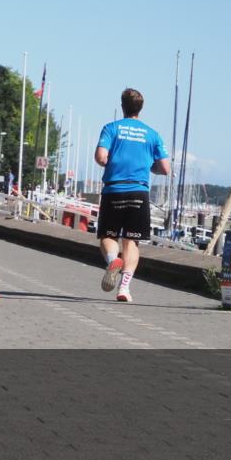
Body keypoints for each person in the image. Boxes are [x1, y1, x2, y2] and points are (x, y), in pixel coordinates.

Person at [94, 88, 170, 303]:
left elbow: (101, 157)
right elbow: (165, 168)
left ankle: (111, 261)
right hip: (139, 191)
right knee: (132, 241)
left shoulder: (111, 128)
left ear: (122, 105)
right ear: (141, 108)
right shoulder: (152, 134)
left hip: (114, 189)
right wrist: (148, 166)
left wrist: (112, 164)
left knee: (108, 236)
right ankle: (124, 289)